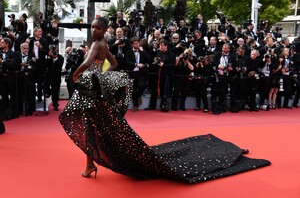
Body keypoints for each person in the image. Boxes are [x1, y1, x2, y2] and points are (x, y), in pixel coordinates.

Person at [59, 17, 271, 184]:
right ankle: (90, 164)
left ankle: (90, 164)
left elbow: (88, 62)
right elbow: (113, 63)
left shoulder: (98, 44)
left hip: (92, 89)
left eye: (97, 27)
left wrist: (76, 75)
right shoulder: (102, 43)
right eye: (92, 27)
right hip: (95, 88)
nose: (93, 30)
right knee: (92, 125)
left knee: (92, 125)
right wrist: (101, 74)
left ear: (104, 30)